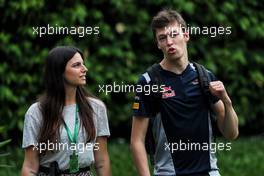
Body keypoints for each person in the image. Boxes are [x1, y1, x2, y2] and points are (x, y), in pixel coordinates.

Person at [130, 9, 239, 176]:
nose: (169, 42)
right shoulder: (148, 81)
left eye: (174, 34)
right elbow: (137, 141)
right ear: (158, 44)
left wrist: (227, 101)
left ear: (186, 35)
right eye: (162, 38)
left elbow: (231, 134)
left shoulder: (205, 76)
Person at [21, 46, 111, 176]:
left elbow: (102, 161)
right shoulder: (36, 112)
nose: (85, 69)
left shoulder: (96, 108)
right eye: (76, 65)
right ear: (59, 71)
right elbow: (29, 167)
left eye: (83, 64)